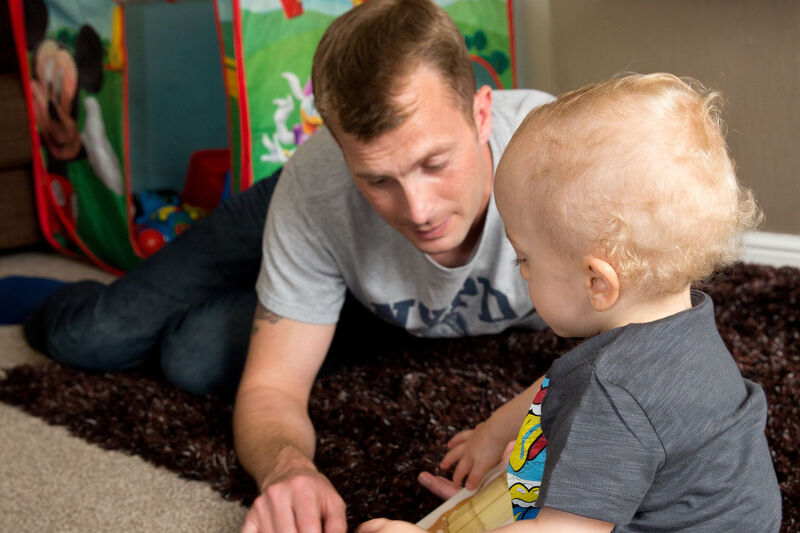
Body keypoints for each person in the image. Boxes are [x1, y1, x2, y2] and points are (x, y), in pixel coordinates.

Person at [8, 0, 555, 531]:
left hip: (370, 288)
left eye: (434, 163)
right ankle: (51, 295)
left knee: (193, 356)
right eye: (378, 179)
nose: (418, 210)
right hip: (303, 210)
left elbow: (633, 343)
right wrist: (288, 469)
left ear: (482, 113)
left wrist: (522, 427)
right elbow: (273, 389)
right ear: (340, 150)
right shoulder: (320, 184)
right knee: (94, 335)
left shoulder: (563, 164)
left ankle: (305, 290)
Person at [358, 73, 782, 533]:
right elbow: (560, 385)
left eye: (524, 257)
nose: (520, 271)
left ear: (597, 282)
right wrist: (495, 432)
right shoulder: (682, 320)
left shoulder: (612, 395)